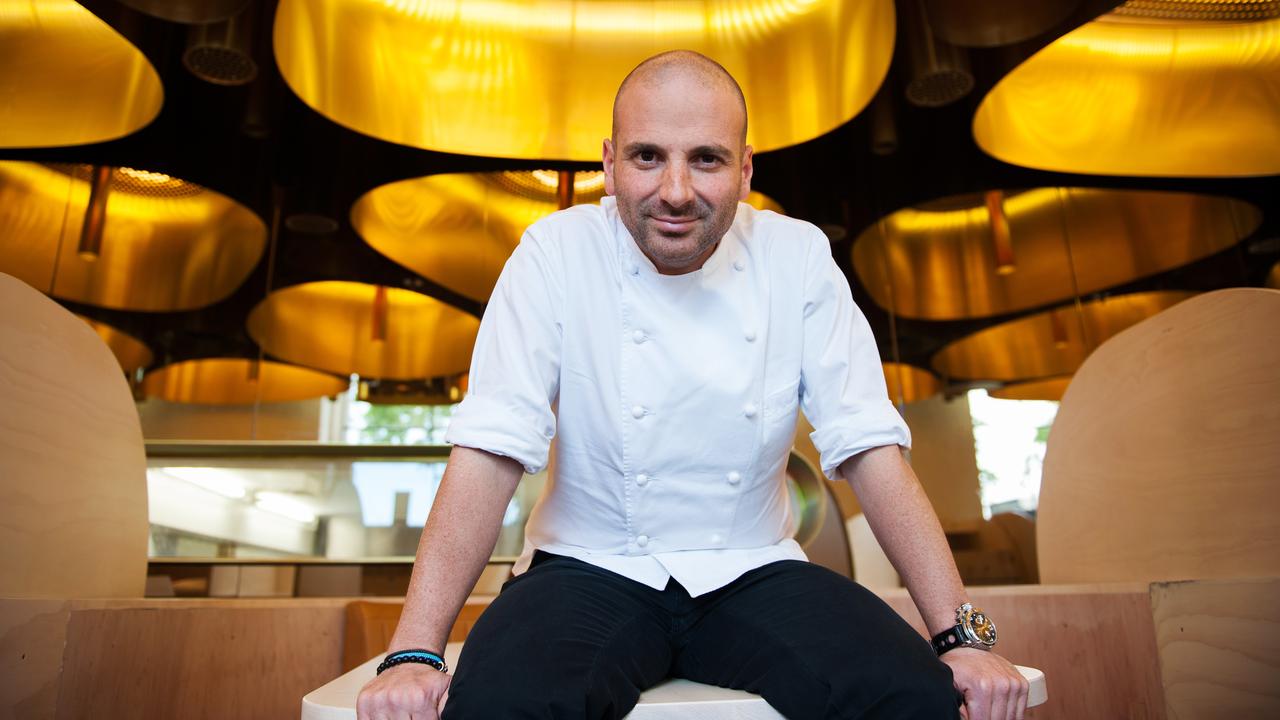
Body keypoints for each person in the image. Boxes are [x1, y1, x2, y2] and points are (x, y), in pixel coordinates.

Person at [357, 50, 1030, 720]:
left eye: (705, 158)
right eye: (647, 156)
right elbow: (490, 448)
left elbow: (870, 448)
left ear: (745, 169)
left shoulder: (795, 257)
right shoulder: (554, 252)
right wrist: (414, 651)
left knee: (909, 694)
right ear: (608, 162)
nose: (675, 190)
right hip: (584, 567)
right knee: (503, 704)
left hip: (754, 567)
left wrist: (958, 637)